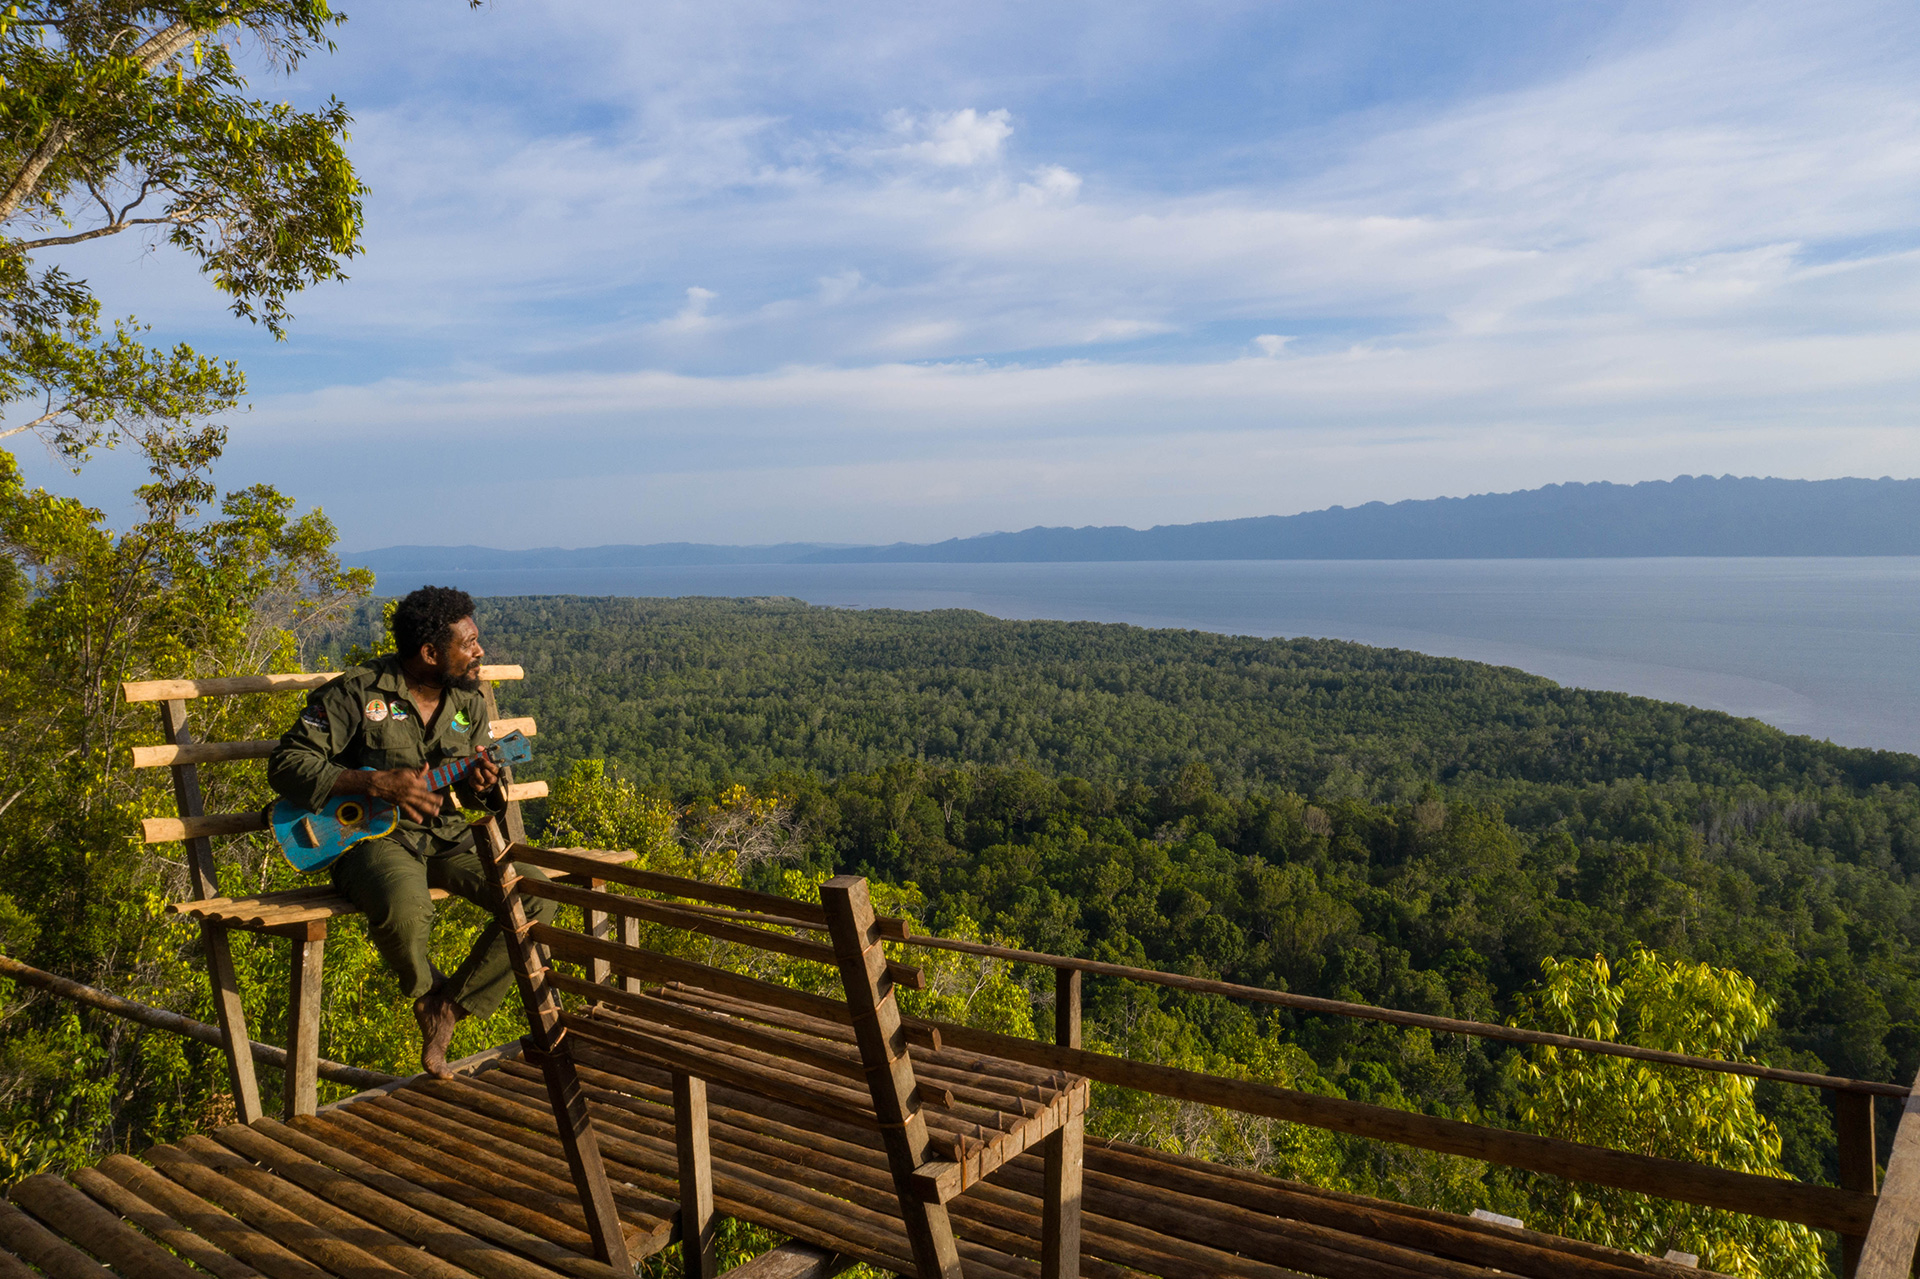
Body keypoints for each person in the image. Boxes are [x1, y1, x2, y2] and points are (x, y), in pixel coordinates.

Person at [267, 585, 557, 1077]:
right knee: (407, 909)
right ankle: (425, 992)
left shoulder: (470, 699)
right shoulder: (358, 692)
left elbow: (477, 792)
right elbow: (287, 764)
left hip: (446, 836)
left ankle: (451, 1006)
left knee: (536, 894)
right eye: (468, 644)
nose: (479, 651)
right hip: (375, 840)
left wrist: (485, 784)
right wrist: (372, 782)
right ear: (428, 653)